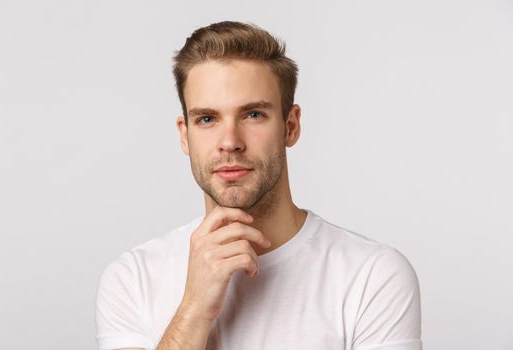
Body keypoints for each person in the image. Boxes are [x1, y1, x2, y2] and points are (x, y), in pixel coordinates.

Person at [95, 21, 422, 350]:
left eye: (252, 115)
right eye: (207, 119)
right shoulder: (132, 279)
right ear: (185, 135)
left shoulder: (371, 275)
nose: (230, 142)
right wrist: (194, 309)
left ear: (290, 126)